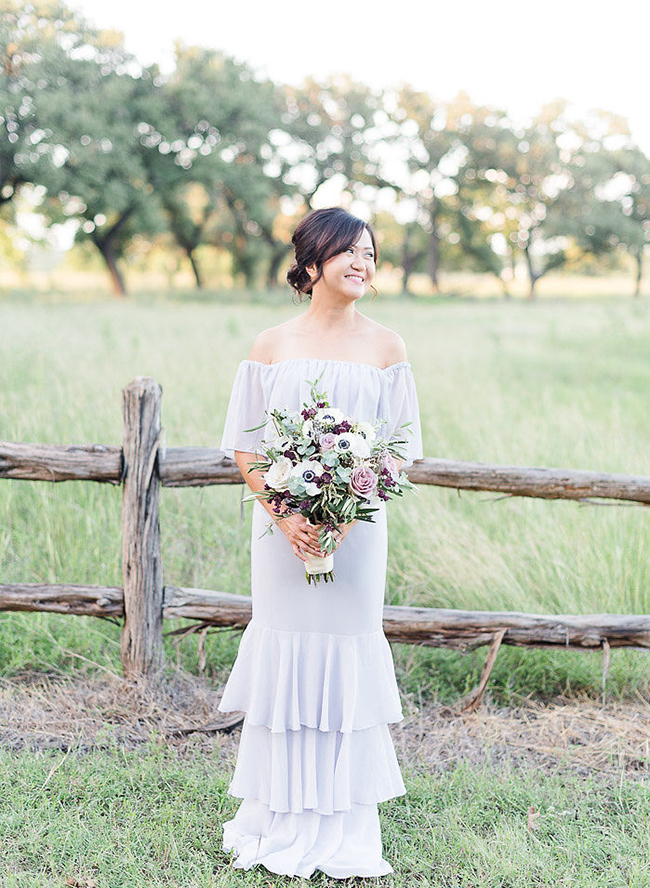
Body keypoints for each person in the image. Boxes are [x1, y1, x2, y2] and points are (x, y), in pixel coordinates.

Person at [218, 206, 423, 878]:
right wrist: (286, 516)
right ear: (312, 263)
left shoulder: (388, 346)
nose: (363, 263)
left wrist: (346, 511)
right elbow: (246, 446)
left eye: (369, 252)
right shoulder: (271, 343)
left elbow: (399, 452)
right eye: (349, 252)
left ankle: (343, 824)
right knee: (286, 661)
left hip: (357, 537)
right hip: (280, 535)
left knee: (345, 657)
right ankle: (276, 818)